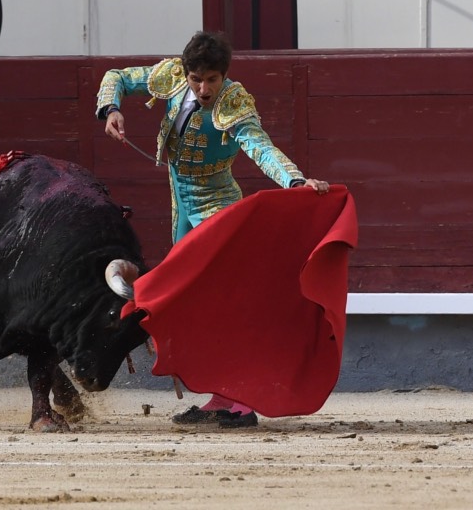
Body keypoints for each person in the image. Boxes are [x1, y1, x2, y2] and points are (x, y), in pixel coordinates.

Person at [95, 30, 330, 428]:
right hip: (180, 202)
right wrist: (111, 110)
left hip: (216, 204)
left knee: (221, 302)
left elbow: (259, 147)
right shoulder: (169, 75)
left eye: (212, 80)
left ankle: (238, 400)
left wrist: (293, 181)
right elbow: (116, 76)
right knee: (190, 301)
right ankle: (220, 396)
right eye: (196, 79)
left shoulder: (235, 102)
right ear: (185, 73)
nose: (204, 89)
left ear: (225, 76)